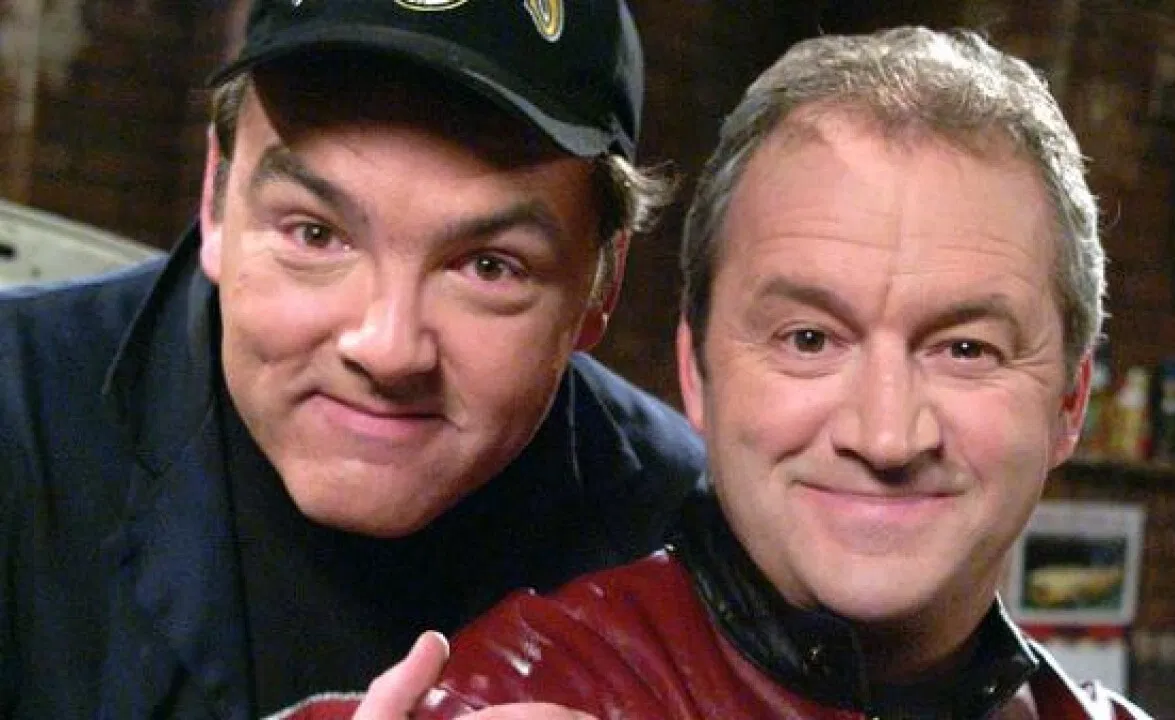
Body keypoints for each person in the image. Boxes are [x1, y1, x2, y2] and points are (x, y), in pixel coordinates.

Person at [308, 27, 1154, 719]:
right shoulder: (519, 695)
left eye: (965, 350)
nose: (886, 435)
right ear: (698, 376)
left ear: (1070, 402)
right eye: (809, 340)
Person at [0, 1, 705, 717]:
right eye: (315, 233)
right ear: (216, 199)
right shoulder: (13, 409)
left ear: (602, 283)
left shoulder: (688, 536)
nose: (388, 349)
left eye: (490, 267)